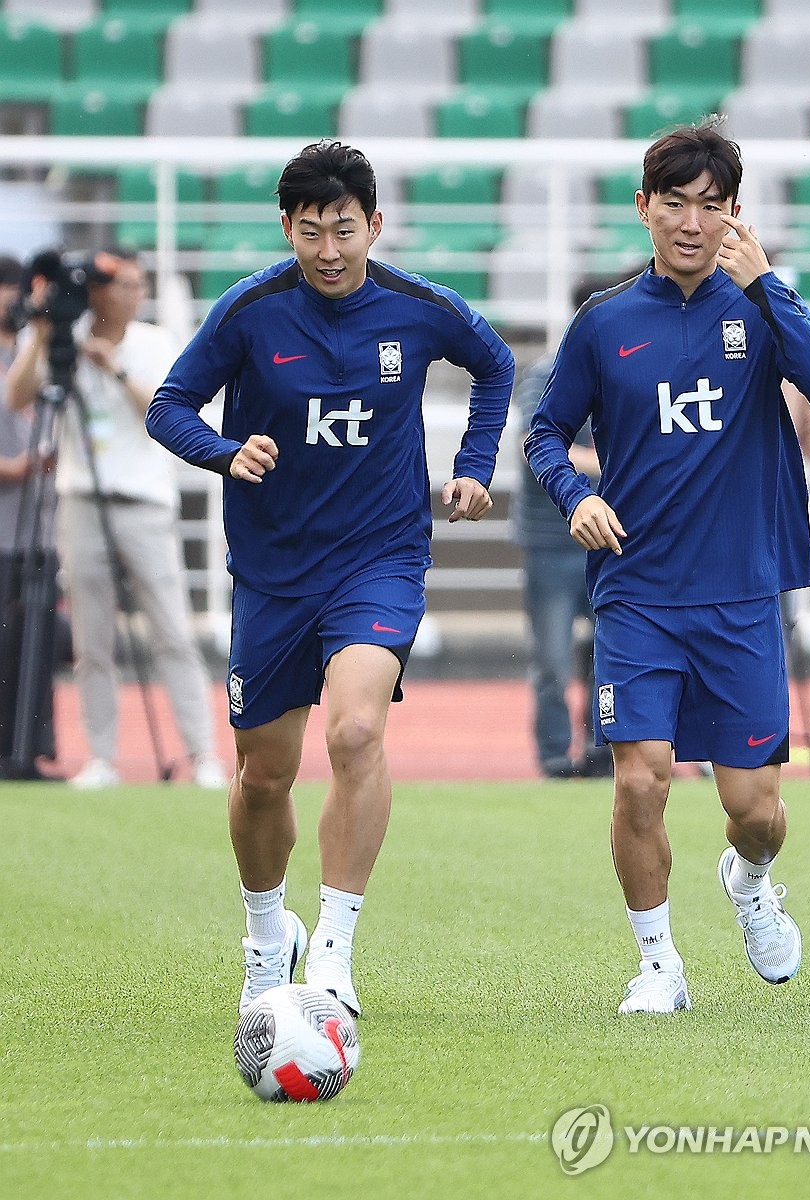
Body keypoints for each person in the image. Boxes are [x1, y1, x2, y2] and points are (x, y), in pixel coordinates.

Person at [145, 140, 514, 1017]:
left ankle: (335, 953)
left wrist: (472, 462)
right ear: (287, 228)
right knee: (263, 776)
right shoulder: (250, 311)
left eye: (344, 229)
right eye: (310, 232)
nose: (329, 251)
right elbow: (168, 406)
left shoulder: (421, 308)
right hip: (274, 572)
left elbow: (496, 365)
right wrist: (226, 451)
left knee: (354, 733)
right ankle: (267, 935)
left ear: (374, 224)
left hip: (379, 560)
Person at [525, 117, 810, 1014]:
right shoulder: (603, 324)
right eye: (673, 202)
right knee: (640, 779)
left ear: (733, 215)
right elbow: (545, 431)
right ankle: (659, 966)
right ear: (643, 208)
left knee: (754, 810)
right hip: (636, 592)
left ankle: (748, 884)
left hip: (742, 589)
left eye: (710, 206)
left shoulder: (760, 307)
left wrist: (770, 284)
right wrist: (575, 496)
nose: (691, 222)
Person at [5, 249, 226, 791]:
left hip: (143, 503)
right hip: (80, 499)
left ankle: (203, 756)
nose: (132, 293)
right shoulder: (67, 335)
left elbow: (168, 411)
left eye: (136, 283)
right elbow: (17, 395)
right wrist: (43, 327)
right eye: (121, 284)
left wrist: (115, 366)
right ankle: (101, 756)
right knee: (91, 639)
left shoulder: (152, 342)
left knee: (172, 633)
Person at [513, 274, 626, 780]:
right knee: (554, 659)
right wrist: (609, 463)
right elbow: (535, 443)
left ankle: (604, 748)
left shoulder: (622, 369)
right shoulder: (547, 372)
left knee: (613, 653)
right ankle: (557, 755)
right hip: (552, 539)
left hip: (609, 540)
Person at [0, 254, 58, 776]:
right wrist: (17, 467)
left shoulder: (35, 348)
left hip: (38, 526)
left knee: (35, 643)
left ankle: (31, 748)